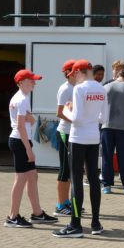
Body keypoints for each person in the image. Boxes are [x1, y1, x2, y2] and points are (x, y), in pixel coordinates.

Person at [53, 59, 108, 238]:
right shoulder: (101, 88)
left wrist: (67, 109)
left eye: (73, 74)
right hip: (94, 137)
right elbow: (103, 118)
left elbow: (75, 117)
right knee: (93, 180)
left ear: (78, 72)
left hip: (77, 138)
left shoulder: (79, 88)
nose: (73, 78)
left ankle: (75, 224)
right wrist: (90, 118)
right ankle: (96, 223)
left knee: (76, 181)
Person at [5, 69, 58, 228]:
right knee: (20, 179)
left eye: (34, 80)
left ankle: (37, 214)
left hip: (21, 140)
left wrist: (32, 120)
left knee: (33, 176)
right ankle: (12, 217)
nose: (34, 83)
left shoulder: (21, 97)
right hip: (20, 141)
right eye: (31, 80)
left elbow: (27, 121)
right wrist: (29, 149)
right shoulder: (22, 99)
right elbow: (21, 126)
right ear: (21, 82)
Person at [54, 59, 76, 216]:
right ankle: (60, 205)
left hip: (72, 133)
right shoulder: (65, 89)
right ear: (69, 73)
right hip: (64, 132)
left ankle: (66, 201)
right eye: (76, 70)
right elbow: (59, 113)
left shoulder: (76, 87)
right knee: (64, 169)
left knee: (70, 169)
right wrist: (75, 121)